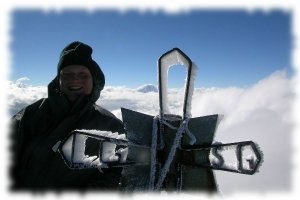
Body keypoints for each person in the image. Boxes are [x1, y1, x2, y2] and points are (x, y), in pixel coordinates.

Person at [10, 41, 125, 191]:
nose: (75, 79)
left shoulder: (110, 126)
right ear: (59, 80)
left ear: (94, 80)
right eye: (67, 74)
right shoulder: (31, 114)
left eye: (83, 74)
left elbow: (114, 173)